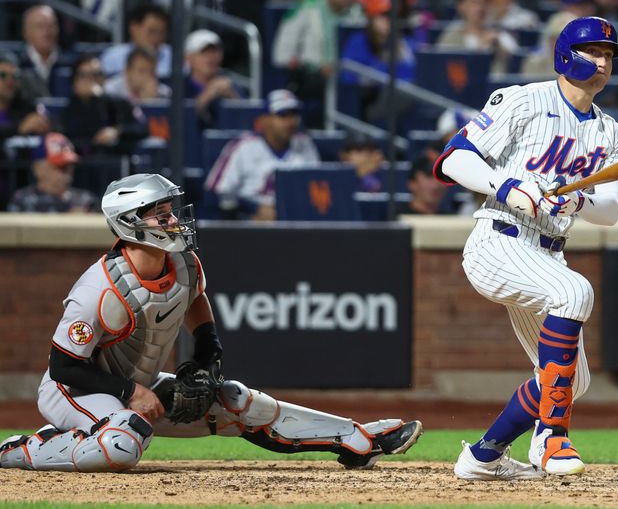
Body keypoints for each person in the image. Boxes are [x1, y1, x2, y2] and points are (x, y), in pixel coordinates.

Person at [0, 173, 422, 472]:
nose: (172, 220)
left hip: (134, 385)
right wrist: (133, 392)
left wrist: (208, 353)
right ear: (129, 223)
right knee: (120, 444)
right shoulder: (98, 290)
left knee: (234, 399)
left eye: (170, 211)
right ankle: (26, 448)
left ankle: (356, 439)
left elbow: (194, 301)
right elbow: (63, 367)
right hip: (73, 391)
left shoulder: (183, 263)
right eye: (160, 214)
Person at [435, 16, 618, 479]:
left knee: (570, 382)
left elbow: (609, 212)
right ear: (565, 55)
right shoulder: (523, 99)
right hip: (499, 237)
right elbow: (454, 159)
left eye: (608, 55)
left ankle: (483, 456)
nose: (602, 62)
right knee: (576, 292)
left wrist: (578, 197)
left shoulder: (612, 134)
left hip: (547, 251)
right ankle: (551, 438)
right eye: (592, 52)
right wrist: (507, 186)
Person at [205, 89, 320, 221]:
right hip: (249, 224)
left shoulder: (305, 144)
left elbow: (316, 189)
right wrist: (254, 209)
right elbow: (216, 192)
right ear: (265, 120)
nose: (290, 122)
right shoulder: (243, 146)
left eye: (294, 115)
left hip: (295, 222)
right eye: (282, 115)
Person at [272, 0, 362, 110]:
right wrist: (316, 67)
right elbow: (281, 56)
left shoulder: (357, 13)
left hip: (347, 76)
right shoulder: (306, 8)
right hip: (309, 77)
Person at [340, 0, 416, 123]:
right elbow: (348, 77)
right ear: (371, 17)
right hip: (370, 103)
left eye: (392, 15)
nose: (389, 20)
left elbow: (416, 74)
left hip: (402, 104)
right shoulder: (358, 41)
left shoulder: (404, 43)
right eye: (383, 15)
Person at [61, 55, 149, 156]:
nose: (92, 80)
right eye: (85, 75)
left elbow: (142, 128)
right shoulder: (68, 111)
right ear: (74, 81)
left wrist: (117, 131)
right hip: (81, 165)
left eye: (97, 74)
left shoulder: (118, 103)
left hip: (115, 162)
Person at [436, 0, 519, 75]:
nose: (480, 7)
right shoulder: (450, 37)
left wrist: (499, 44)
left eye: (484, 2)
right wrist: (480, 50)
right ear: (461, 6)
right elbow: (446, 70)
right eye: (474, 2)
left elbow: (515, 59)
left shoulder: (498, 34)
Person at [8, 132, 97, 213]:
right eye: (60, 166)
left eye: (69, 166)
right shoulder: (23, 199)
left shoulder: (85, 200)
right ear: (38, 169)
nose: (66, 172)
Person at [183, 30, 241, 126]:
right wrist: (207, 95)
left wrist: (232, 96)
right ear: (188, 58)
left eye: (214, 52)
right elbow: (179, 122)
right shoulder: (179, 88)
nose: (210, 57)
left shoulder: (230, 85)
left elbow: (247, 120)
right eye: (204, 52)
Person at [100, 3, 171, 79]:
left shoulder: (173, 57)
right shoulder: (113, 58)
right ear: (134, 28)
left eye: (162, 33)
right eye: (152, 31)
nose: (157, 38)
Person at [18, 4, 72, 97]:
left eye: (51, 26)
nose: (46, 31)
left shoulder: (70, 65)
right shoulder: (16, 65)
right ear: (26, 32)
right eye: (40, 26)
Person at [0, 52, 50, 141]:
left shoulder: (25, 109)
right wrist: (19, 129)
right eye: (3, 75)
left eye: (14, 76)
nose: (10, 81)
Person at [104, 46, 171, 102]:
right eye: (142, 71)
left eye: (152, 72)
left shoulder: (165, 94)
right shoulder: (109, 93)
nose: (147, 76)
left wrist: (152, 101)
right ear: (127, 71)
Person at [521, 11, 577, 78]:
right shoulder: (534, 62)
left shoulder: (588, 66)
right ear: (548, 39)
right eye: (554, 38)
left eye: (566, 39)